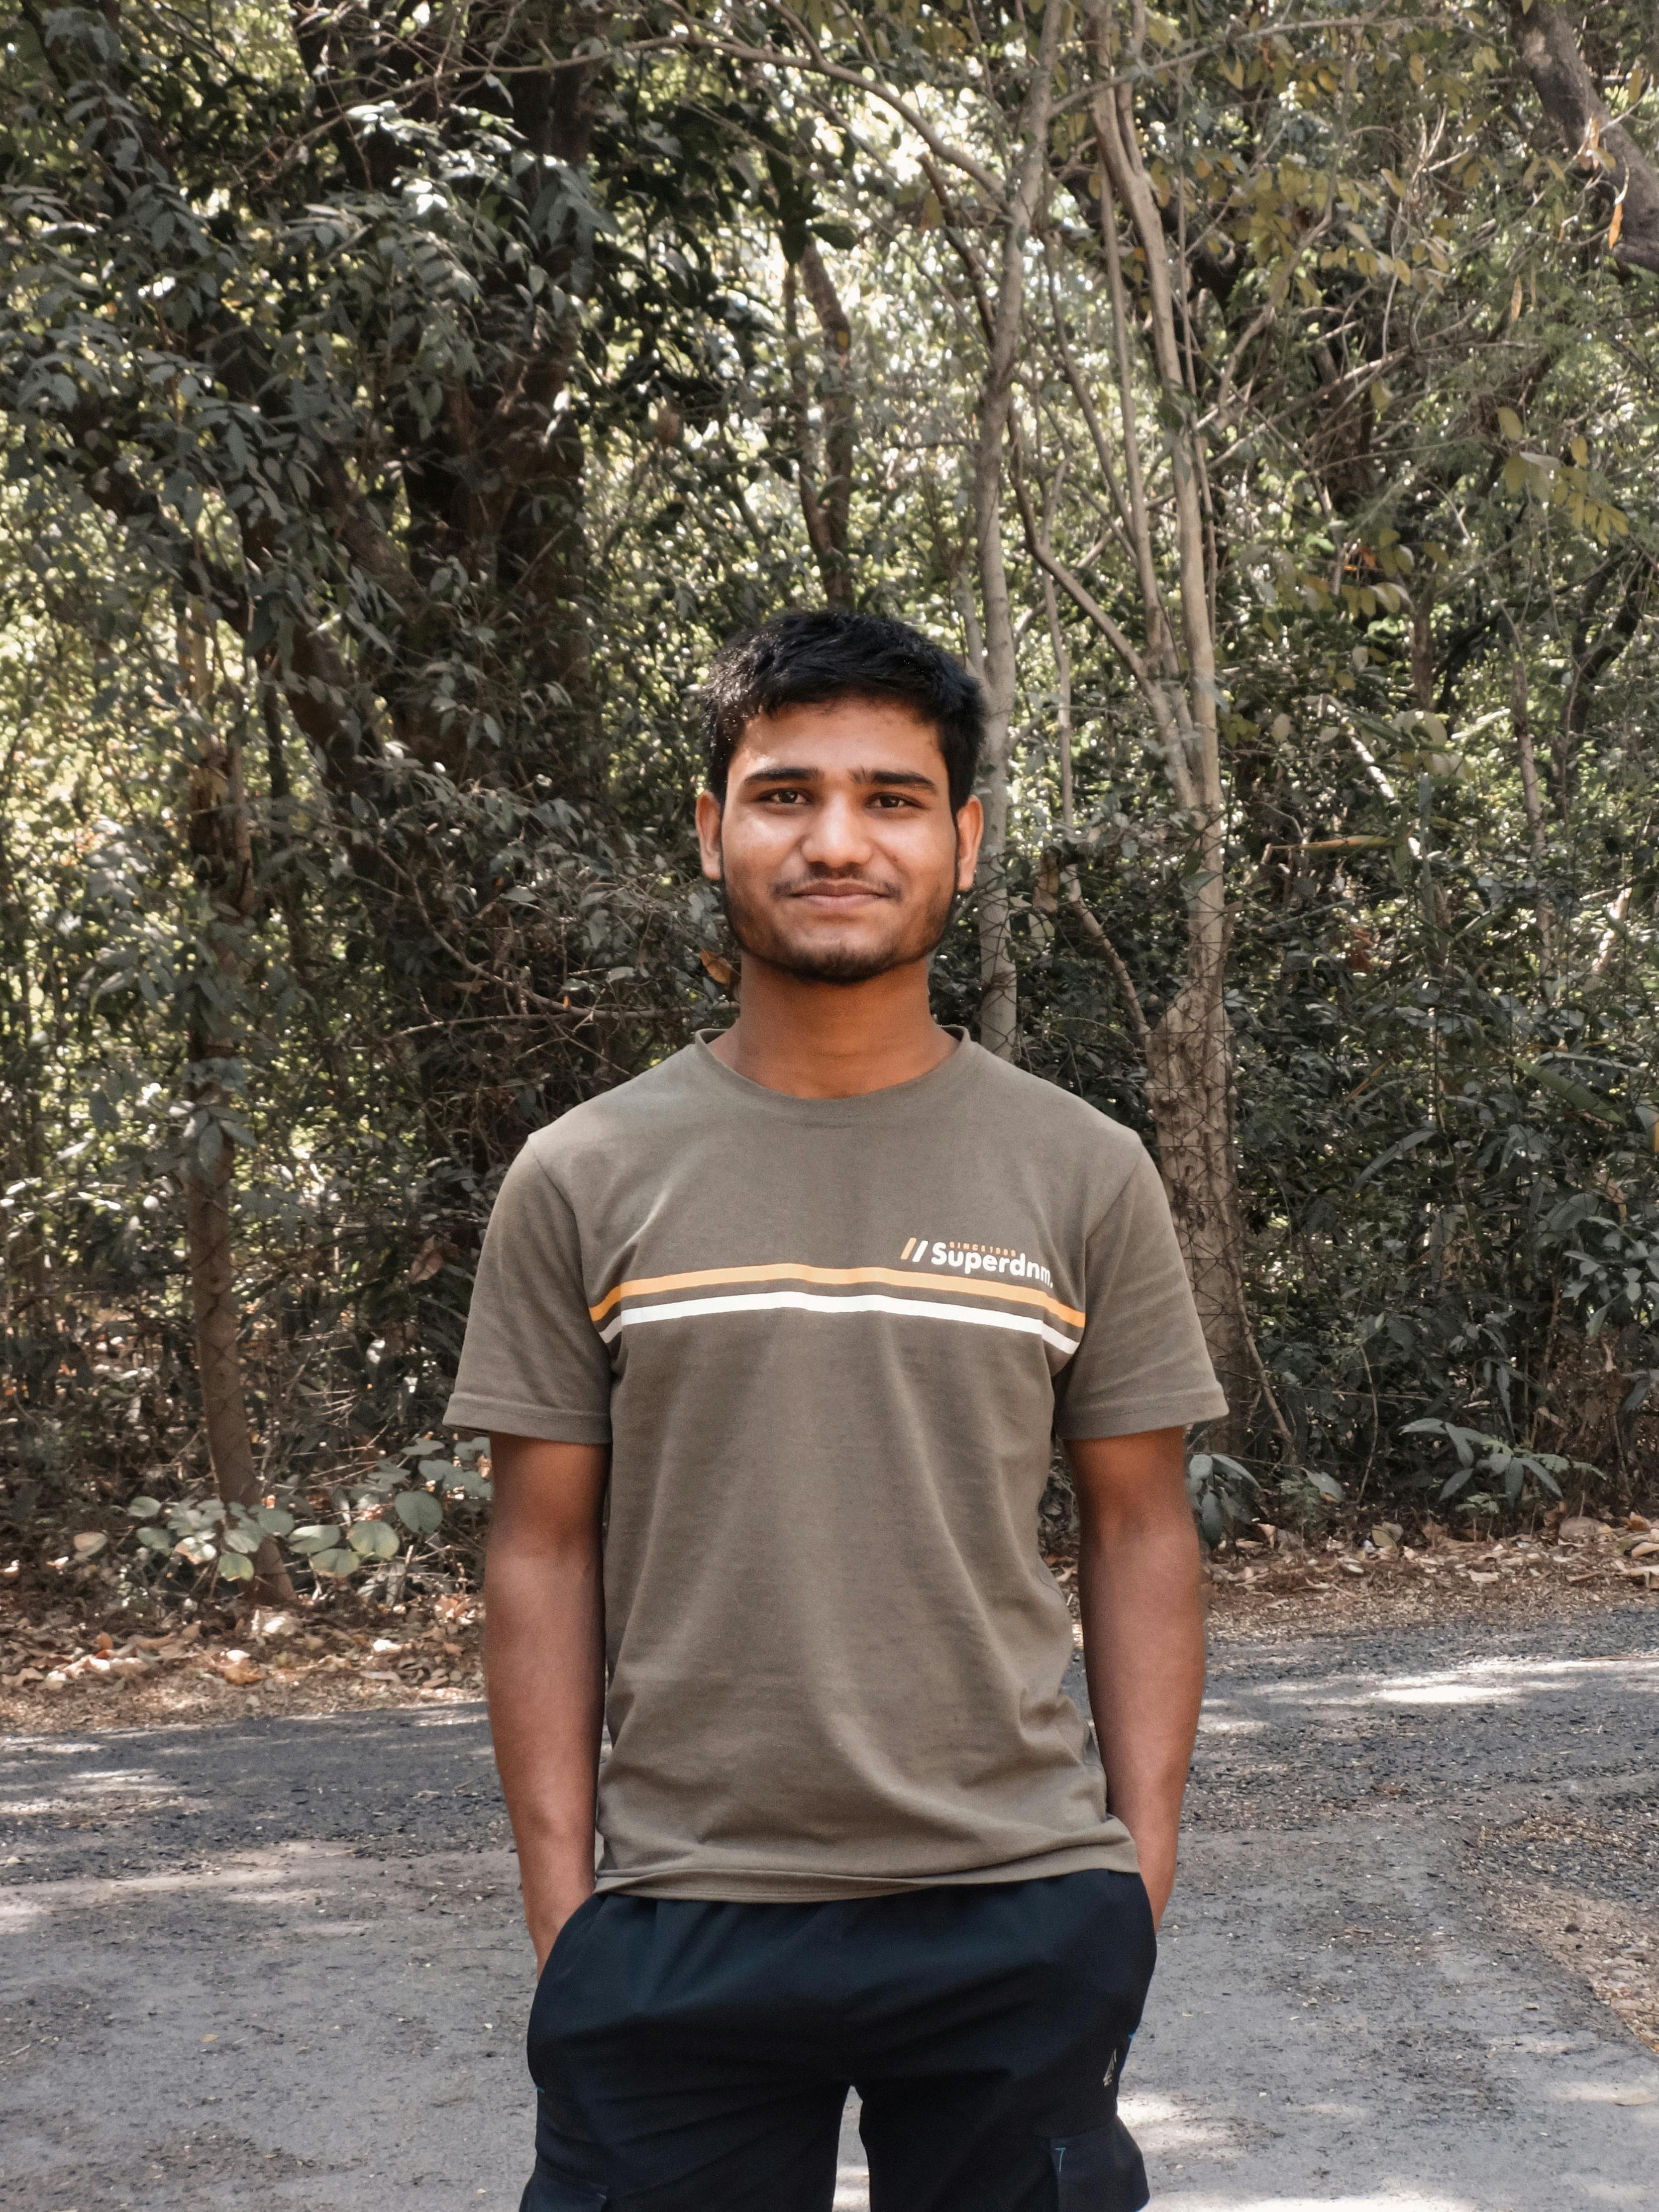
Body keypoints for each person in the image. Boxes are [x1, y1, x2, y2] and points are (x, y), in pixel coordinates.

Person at [445, 608, 1225, 2212]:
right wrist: (565, 1914)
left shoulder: (1082, 1171)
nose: (837, 841)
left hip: (1018, 1907)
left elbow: (1143, 1526)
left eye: (892, 797)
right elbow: (537, 1550)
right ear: (715, 825)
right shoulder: (585, 1174)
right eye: (787, 794)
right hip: (681, 1917)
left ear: (966, 837)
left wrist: (1127, 1888)